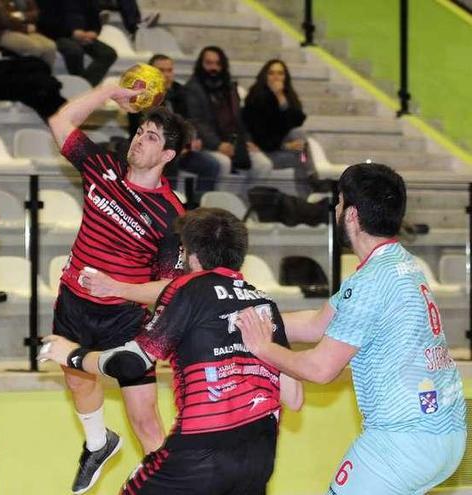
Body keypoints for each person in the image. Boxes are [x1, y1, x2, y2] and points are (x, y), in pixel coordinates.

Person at [236, 163, 466, 495]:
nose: (336, 210)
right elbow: (317, 325)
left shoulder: (370, 283)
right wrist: (246, 319)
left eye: (340, 203)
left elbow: (319, 368)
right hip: (445, 435)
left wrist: (262, 348)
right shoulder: (399, 263)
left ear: (352, 215)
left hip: (402, 441)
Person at [40, 207, 303, 495]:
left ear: (191, 256)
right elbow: (294, 397)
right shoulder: (265, 304)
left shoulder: (186, 289)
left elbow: (131, 364)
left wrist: (70, 354)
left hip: (197, 452)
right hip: (258, 458)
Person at [46, 82, 189, 494]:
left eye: (153, 138)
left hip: (125, 320)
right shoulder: (102, 167)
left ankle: (168, 487)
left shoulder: (170, 215)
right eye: (141, 130)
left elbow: (168, 289)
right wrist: (108, 91)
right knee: (77, 380)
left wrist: (118, 287)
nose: (140, 140)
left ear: (167, 156)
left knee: (145, 420)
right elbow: (60, 121)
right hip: (73, 304)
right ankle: (98, 444)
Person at [128, 53, 221, 196]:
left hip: (180, 149)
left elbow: (188, 121)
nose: (166, 75)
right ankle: (167, 202)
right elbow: (145, 128)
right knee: (170, 159)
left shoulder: (179, 92)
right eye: (161, 71)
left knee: (211, 165)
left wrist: (190, 142)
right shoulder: (140, 95)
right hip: (152, 149)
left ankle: (196, 207)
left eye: (169, 70)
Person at [185, 46, 270, 179]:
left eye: (218, 63)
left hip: (235, 142)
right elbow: (197, 122)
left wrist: (247, 140)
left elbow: (239, 119)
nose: (214, 68)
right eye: (209, 63)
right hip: (208, 144)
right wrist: (217, 145)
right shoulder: (192, 89)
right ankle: (219, 200)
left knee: (263, 164)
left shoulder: (229, 87)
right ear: (201, 65)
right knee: (223, 163)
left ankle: (247, 198)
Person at [242, 59, 316, 195]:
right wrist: (285, 146)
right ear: (265, 76)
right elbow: (261, 137)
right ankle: (311, 179)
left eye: (280, 73)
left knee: (299, 138)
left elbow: (297, 120)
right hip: (264, 152)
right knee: (301, 157)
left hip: (277, 148)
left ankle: (306, 200)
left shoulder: (286, 96)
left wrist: (281, 98)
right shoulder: (256, 100)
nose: (276, 77)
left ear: (285, 77)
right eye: (271, 73)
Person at [37, 0, 116, 86]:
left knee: (108, 53)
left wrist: (94, 32)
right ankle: (81, 86)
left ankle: (84, 85)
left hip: (85, 35)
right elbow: (46, 22)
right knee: (74, 51)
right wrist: (72, 33)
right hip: (59, 35)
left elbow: (95, 19)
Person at [0, 0, 57, 66]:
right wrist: (25, 27)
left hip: (19, 29)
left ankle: (45, 79)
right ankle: (29, 80)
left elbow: (36, 14)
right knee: (34, 47)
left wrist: (21, 16)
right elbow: (5, 20)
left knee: (50, 46)